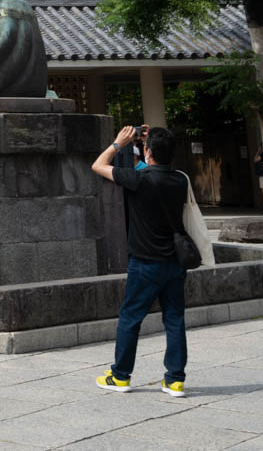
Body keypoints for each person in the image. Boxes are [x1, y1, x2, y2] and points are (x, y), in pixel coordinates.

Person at [92, 124, 190, 397]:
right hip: (175, 262)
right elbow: (160, 163)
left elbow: (98, 165)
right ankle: (175, 380)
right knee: (174, 319)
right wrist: (153, 142)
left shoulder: (140, 179)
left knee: (130, 318)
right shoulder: (180, 179)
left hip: (145, 263)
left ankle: (120, 376)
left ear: (147, 152)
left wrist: (118, 144)